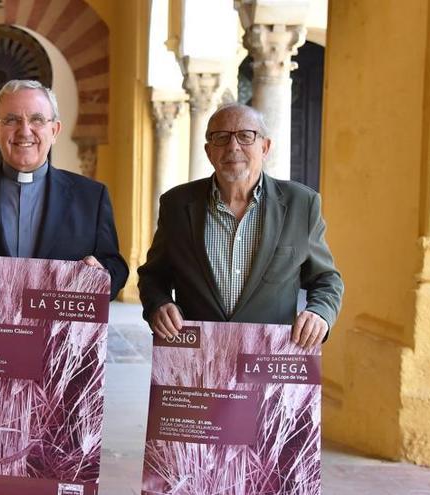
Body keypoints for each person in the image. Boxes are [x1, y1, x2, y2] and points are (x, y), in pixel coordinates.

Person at [137, 103, 343, 349]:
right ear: (208, 151)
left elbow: (326, 279)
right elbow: (153, 276)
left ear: (265, 147)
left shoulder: (302, 204)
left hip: (267, 359)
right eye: (221, 137)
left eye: (246, 136)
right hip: (196, 360)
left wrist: (320, 313)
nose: (233, 146)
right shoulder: (176, 205)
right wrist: (158, 304)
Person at [0, 79, 128, 299]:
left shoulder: (91, 198)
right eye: (11, 120)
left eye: (37, 119)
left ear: (54, 130)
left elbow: (116, 266)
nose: (24, 131)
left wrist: (100, 274)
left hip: (58, 332)